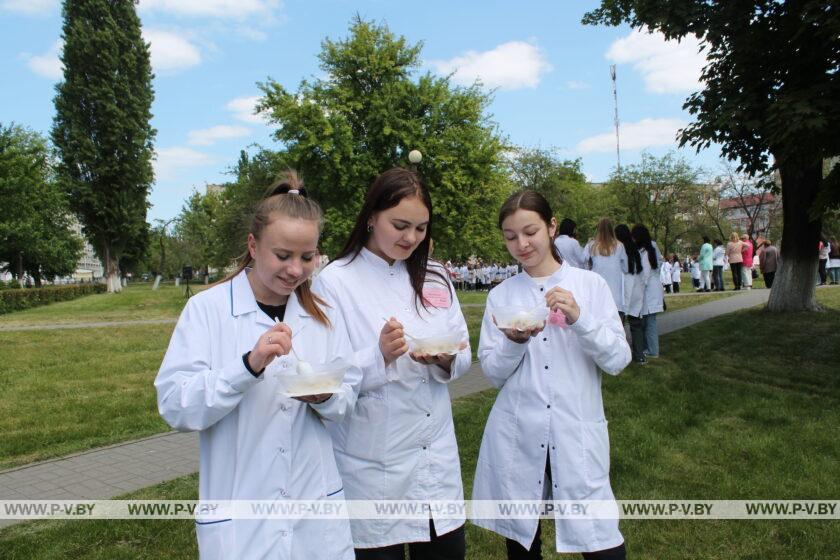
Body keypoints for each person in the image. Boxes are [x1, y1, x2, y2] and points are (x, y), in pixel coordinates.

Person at [155, 173, 359, 560]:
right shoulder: (208, 310)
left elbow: (348, 397)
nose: (296, 270)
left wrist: (325, 396)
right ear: (252, 246)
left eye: (307, 257)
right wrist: (247, 367)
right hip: (242, 519)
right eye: (282, 255)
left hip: (314, 511)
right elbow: (175, 405)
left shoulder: (324, 315)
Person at [313, 167, 471, 559]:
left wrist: (447, 359)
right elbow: (325, 377)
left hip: (435, 455)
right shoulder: (335, 281)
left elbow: (464, 350)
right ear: (371, 216)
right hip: (373, 462)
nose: (411, 238)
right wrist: (377, 356)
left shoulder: (434, 275)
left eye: (421, 229)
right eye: (400, 225)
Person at [472, 190, 630, 560]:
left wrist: (581, 319)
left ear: (551, 227)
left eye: (530, 232)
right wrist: (514, 341)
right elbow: (493, 373)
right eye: (511, 237)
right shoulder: (502, 296)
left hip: (574, 429)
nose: (521, 244)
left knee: (600, 540)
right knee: (523, 541)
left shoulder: (589, 287)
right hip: (519, 431)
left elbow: (619, 359)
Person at [583, 217, 627, 317]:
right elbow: (626, 268)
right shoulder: (619, 246)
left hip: (597, 292)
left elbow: (582, 261)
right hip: (615, 295)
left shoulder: (591, 246)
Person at [631, 225, 664, 359]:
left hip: (648, 289)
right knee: (648, 321)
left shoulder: (645, 251)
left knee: (649, 323)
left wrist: (636, 289)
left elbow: (644, 273)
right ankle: (649, 348)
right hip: (653, 287)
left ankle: (653, 350)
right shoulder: (652, 247)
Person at [615, 224, 647, 364]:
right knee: (636, 325)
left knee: (618, 326)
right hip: (636, 291)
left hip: (623, 291)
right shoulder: (635, 250)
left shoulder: (618, 249)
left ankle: (620, 356)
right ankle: (639, 355)